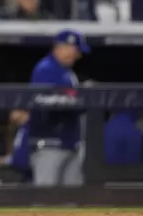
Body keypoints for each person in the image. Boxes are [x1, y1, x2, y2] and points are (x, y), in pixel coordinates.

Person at [27, 29, 89, 186]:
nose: (77, 56)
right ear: (62, 47)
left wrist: (82, 93)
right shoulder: (46, 69)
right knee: (46, 201)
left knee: (71, 202)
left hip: (69, 142)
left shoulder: (66, 73)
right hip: (50, 144)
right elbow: (47, 102)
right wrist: (80, 96)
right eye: (75, 50)